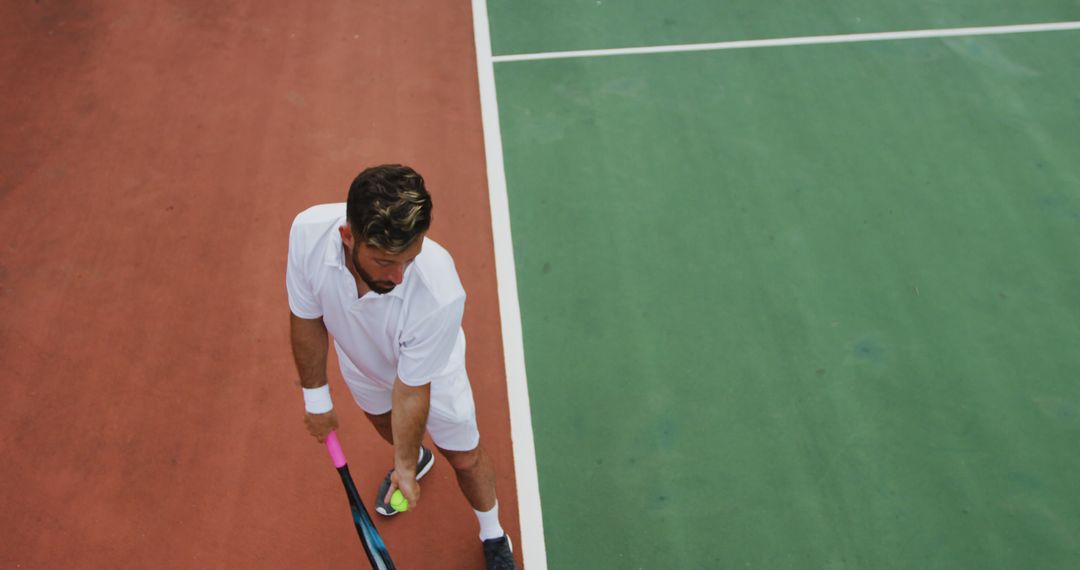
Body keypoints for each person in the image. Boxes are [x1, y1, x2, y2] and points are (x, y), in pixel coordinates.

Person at [286, 164, 517, 569]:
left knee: (464, 456)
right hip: (361, 361)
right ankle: (417, 457)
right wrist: (316, 399)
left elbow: (412, 388)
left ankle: (493, 532)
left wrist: (403, 468)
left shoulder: (438, 292)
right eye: (384, 261)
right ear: (347, 236)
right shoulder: (307, 232)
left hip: (431, 374)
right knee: (382, 423)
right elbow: (306, 315)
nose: (398, 276)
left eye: (409, 260)